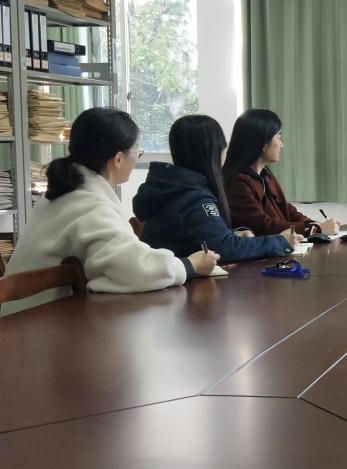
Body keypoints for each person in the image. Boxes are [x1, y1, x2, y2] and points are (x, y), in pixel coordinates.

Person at [2, 108, 219, 316]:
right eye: (137, 151)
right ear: (118, 159)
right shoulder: (88, 204)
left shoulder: (68, 191)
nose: (138, 157)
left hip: (30, 317)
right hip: (33, 326)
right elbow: (135, 269)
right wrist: (190, 265)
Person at [134, 115, 301, 263]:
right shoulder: (194, 198)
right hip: (182, 284)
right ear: (211, 152)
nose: (225, 154)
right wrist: (280, 241)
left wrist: (233, 234)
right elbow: (225, 248)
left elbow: (199, 236)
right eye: (223, 148)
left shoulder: (173, 187)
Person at [223, 108, 341, 236]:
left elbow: (288, 211)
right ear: (263, 143)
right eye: (278, 137)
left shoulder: (266, 176)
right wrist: (314, 229)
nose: (282, 144)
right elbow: (264, 226)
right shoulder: (238, 183)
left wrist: (313, 224)